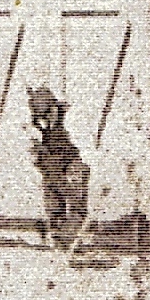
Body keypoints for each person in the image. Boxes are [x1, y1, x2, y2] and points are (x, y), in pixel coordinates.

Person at [27, 87, 90, 251]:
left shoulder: (48, 125)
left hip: (58, 169)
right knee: (67, 210)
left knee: (62, 210)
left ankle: (61, 241)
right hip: (60, 168)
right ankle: (62, 241)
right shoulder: (47, 126)